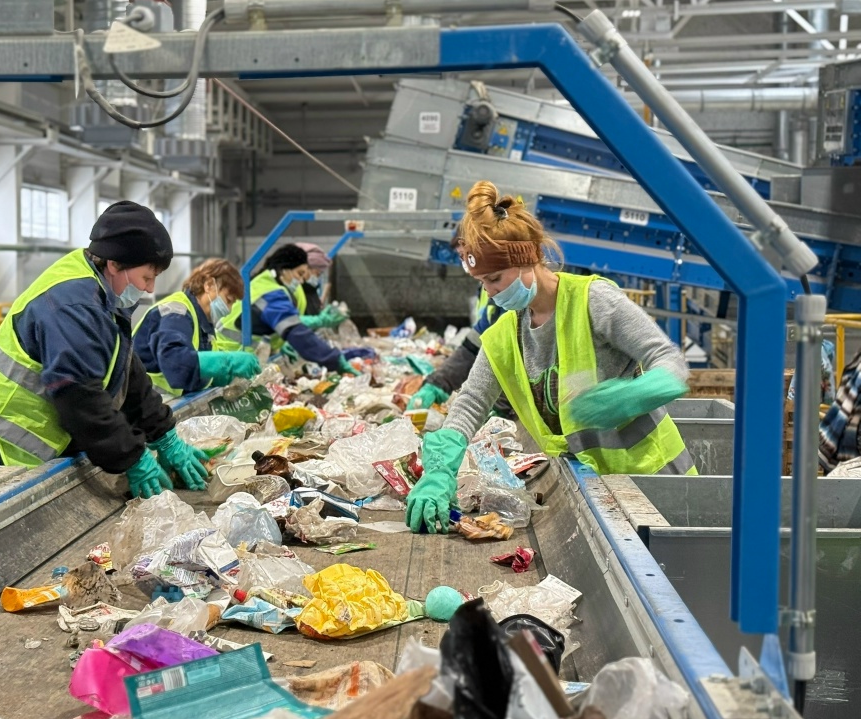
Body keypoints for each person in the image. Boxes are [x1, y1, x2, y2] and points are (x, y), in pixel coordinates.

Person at [406, 182, 696, 535]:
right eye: (482, 283)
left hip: (657, 484)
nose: (490, 292)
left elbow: (671, 362)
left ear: (527, 258)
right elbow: (469, 404)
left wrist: (633, 395)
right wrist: (439, 471)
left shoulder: (593, 301)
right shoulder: (503, 337)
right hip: (596, 493)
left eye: (495, 278)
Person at [0, 200, 211, 500]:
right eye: (146, 278)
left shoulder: (100, 291)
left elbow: (125, 370)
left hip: (28, 455)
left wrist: (164, 435)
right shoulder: (72, 305)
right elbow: (79, 395)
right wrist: (133, 458)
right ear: (115, 265)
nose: (150, 289)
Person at [215, 243, 373, 374]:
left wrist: (280, 343)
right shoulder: (271, 293)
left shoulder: (264, 283)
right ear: (284, 269)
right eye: (299, 273)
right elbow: (297, 332)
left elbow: (267, 323)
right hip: (233, 358)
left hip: (233, 354)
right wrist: (333, 358)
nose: (301, 279)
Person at [133, 258, 262, 397]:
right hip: (141, 405)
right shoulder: (176, 313)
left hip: (164, 406)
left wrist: (226, 375)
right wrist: (229, 362)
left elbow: (197, 369)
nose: (229, 310)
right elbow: (175, 362)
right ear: (209, 285)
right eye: (229, 300)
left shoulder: (204, 324)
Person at [407, 227, 505, 411]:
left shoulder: (521, 304)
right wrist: (439, 383)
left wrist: (499, 410)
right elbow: (473, 346)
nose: (488, 289)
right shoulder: (496, 301)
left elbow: (517, 368)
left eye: (466, 256)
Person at [295, 242, 348, 331]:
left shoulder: (310, 290)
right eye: (317, 273)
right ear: (305, 269)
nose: (316, 278)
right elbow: (288, 322)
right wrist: (321, 320)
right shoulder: (293, 291)